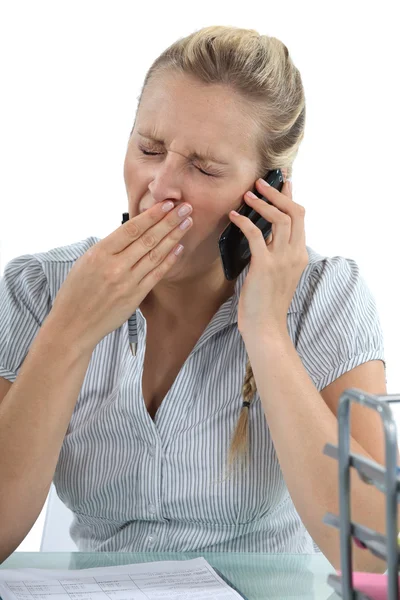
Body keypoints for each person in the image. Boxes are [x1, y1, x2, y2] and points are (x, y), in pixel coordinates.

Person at [0, 25, 388, 570]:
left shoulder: (328, 296)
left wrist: (268, 335)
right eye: (149, 149)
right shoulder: (38, 289)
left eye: (203, 168)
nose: (160, 186)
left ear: (267, 194)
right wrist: (70, 329)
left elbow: (376, 558)